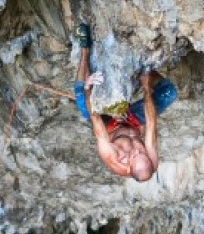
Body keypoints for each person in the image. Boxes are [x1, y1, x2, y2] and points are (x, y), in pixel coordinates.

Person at [72, 23, 177, 181]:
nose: (137, 151)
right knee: (169, 92)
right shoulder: (151, 161)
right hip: (131, 122)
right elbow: (151, 122)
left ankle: (84, 50)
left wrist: (88, 89)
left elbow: (98, 127)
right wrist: (146, 86)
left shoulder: (113, 158)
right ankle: (144, 71)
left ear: (127, 166)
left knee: (82, 101)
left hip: (108, 126)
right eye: (142, 152)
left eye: (135, 156)